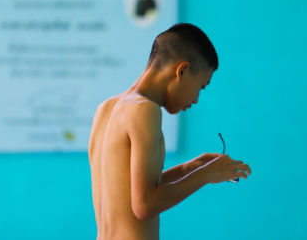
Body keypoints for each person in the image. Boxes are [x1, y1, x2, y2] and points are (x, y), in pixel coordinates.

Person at [88, 23, 252, 240]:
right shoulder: (145, 110)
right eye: (201, 86)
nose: (196, 99)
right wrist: (206, 175)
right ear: (182, 71)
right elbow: (144, 205)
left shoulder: (106, 109)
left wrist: (190, 168)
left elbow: (130, 193)